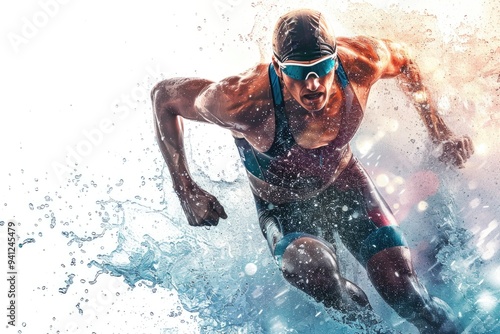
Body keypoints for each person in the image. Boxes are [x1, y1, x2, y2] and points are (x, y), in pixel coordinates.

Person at [151, 8, 473, 333]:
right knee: (312, 269)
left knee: (408, 295)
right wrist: (185, 189)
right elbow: (163, 96)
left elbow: (405, 60)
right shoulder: (241, 100)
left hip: (348, 186)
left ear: (335, 59)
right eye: (298, 72)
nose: (313, 84)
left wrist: (440, 133)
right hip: (284, 209)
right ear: (277, 68)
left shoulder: (362, 61)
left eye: (321, 68)